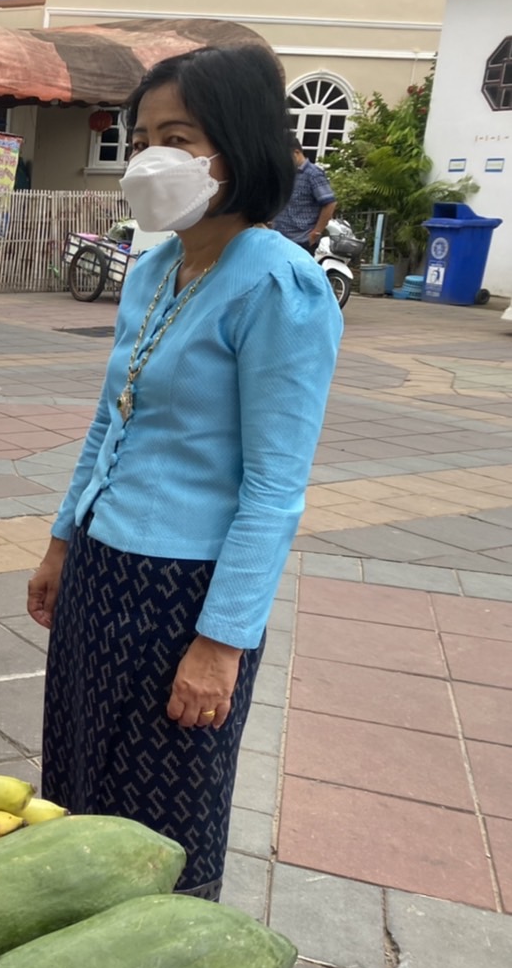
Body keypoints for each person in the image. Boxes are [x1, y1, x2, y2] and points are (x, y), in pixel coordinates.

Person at [26, 46, 343, 901]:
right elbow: (111, 417)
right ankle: (71, 952)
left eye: (177, 138)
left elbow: (274, 487)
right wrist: (62, 542)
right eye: (139, 140)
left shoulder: (279, 287)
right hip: (102, 569)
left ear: (238, 147)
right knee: (79, 786)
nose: (147, 159)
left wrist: (221, 641)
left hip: (185, 598)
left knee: (164, 823)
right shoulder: (158, 268)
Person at [272, 134, 337, 253]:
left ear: (296, 153)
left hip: (302, 240)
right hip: (281, 238)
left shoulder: (313, 174)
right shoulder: (287, 174)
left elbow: (329, 203)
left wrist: (316, 232)